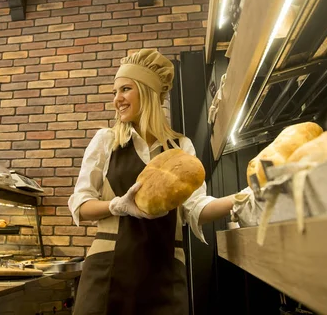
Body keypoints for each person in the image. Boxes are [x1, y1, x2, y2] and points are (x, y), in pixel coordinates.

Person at [68, 49, 236, 315]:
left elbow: (196, 208)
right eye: (115, 92)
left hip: (164, 273)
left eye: (125, 89)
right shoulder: (106, 141)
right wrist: (117, 206)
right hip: (107, 270)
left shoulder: (181, 147)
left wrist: (240, 200)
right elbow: (80, 204)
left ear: (147, 92)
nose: (117, 100)